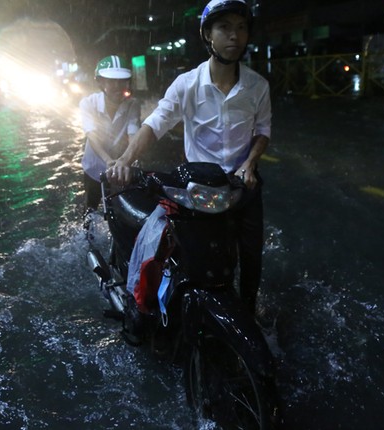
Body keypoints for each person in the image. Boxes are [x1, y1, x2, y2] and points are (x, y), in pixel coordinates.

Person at [108, 0, 272, 316]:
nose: (234, 36)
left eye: (241, 28)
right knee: (187, 251)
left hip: (241, 184)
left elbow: (262, 130)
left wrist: (250, 162)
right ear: (208, 35)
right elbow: (154, 124)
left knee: (250, 255)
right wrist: (125, 159)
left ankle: (249, 312)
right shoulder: (186, 85)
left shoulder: (258, 86)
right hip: (199, 187)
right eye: (224, 28)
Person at [79, 55, 141, 215]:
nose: (117, 86)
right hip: (94, 167)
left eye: (122, 81)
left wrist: (128, 159)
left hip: (120, 167)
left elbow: (133, 133)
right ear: (100, 82)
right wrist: (107, 160)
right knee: (90, 208)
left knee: (120, 209)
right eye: (112, 81)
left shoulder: (133, 104)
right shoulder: (88, 103)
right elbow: (91, 134)